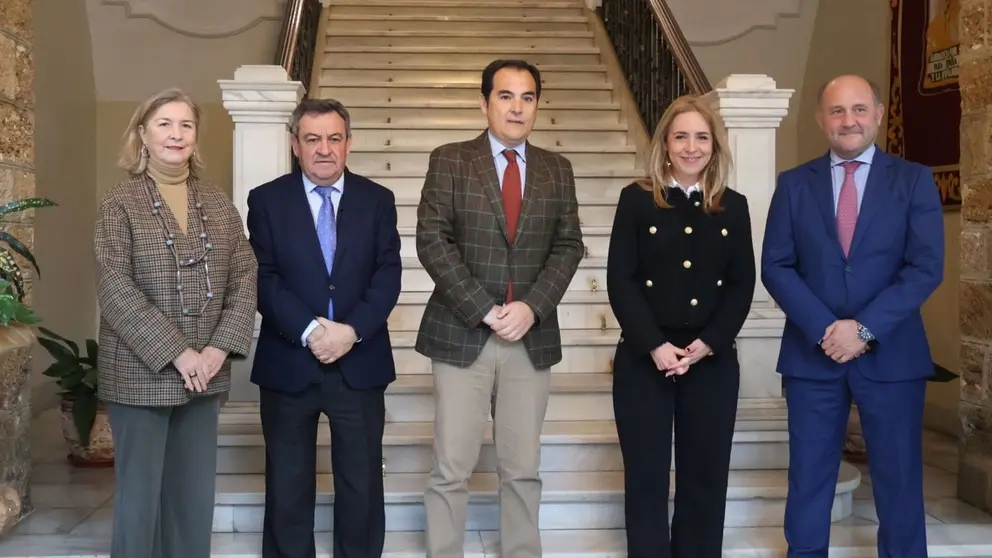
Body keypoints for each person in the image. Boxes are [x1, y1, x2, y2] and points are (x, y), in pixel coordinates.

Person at [761, 74, 944, 558]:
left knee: (899, 478)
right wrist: (826, 329)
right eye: (838, 111)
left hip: (892, 355)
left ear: (880, 115)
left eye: (859, 109)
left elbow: (926, 268)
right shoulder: (794, 184)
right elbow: (776, 266)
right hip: (812, 356)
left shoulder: (913, 180)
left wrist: (863, 330)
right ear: (821, 119)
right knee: (809, 475)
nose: (849, 121)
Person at [416, 58, 585, 558]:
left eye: (527, 97)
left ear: (537, 105)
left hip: (530, 339)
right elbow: (432, 240)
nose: (517, 107)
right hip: (463, 332)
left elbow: (569, 245)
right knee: (451, 466)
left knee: (522, 467)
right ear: (485, 102)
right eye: (506, 96)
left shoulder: (558, 169)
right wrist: (486, 309)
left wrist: (532, 307)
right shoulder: (450, 159)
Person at [94, 88, 258, 558]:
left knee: (192, 497)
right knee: (139, 500)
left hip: (206, 372)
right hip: (141, 373)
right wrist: (178, 352)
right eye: (164, 123)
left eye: (186, 124)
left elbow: (245, 276)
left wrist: (218, 349)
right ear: (142, 134)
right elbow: (115, 288)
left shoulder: (218, 203)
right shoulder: (119, 203)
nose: (176, 134)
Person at [246, 98, 402, 558]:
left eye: (334, 138)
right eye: (312, 139)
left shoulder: (378, 200)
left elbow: (387, 276)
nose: (324, 149)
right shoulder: (267, 200)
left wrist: (350, 331)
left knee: (362, 487)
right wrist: (310, 331)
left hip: (360, 363)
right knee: (288, 486)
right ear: (295, 145)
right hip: (289, 362)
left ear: (349, 144)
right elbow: (262, 276)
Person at [606, 95, 755, 557]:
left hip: (709, 362)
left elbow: (740, 284)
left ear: (715, 145)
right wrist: (655, 345)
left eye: (702, 137)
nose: (692, 147)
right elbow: (621, 279)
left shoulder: (733, 206)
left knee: (705, 476)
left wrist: (708, 344)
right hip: (644, 360)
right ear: (665, 144)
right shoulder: (636, 200)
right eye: (681, 136)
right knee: (646, 477)